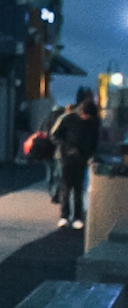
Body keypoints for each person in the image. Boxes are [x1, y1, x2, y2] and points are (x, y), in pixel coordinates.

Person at [52, 98, 101, 229]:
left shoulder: (75, 120)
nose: (86, 117)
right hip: (68, 157)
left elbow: (55, 135)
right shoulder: (71, 119)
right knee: (69, 188)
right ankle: (67, 216)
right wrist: (68, 148)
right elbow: (55, 136)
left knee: (75, 189)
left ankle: (73, 217)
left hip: (77, 157)